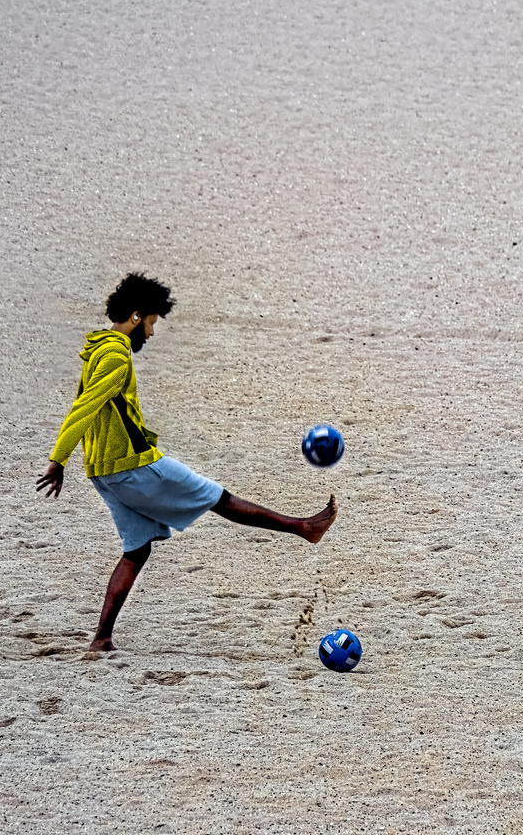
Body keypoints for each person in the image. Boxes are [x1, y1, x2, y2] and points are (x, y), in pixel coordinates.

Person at [37, 272, 336, 652]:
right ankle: (303, 527)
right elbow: (86, 405)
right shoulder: (114, 354)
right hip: (131, 465)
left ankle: (102, 639)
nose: (150, 333)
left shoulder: (97, 347)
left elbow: (87, 402)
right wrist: (57, 460)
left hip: (103, 470)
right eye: (150, 323)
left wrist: (67, 460)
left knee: (137, 549)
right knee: (215, 496)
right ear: (135, 316)